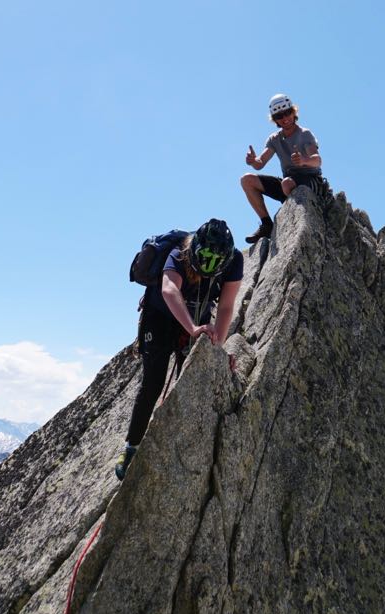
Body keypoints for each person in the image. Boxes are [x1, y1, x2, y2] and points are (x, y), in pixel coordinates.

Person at [115, 219, 244, 480]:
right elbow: (169, 289)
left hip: (196, 316)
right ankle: (131, 448)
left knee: (192, 380)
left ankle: (178, 448)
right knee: (153, 381)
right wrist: (193, 328)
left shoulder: (234, 261)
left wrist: (217, 346)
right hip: (160, 316)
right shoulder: (178, 253)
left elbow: (227, 306)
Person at [241, 93, 325, 244]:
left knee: (286, 183)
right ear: (275, 120)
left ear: (294, 112)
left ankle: (299, 215)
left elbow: (317, 160)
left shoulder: (304, 134)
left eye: (287, 113)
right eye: (280, 116)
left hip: (312, 181)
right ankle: (267, 225)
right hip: (289, 183)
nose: (285, 118)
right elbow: (260, 163)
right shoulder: (274, 139)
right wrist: (253, 161)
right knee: (247, 180)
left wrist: (304, 160)